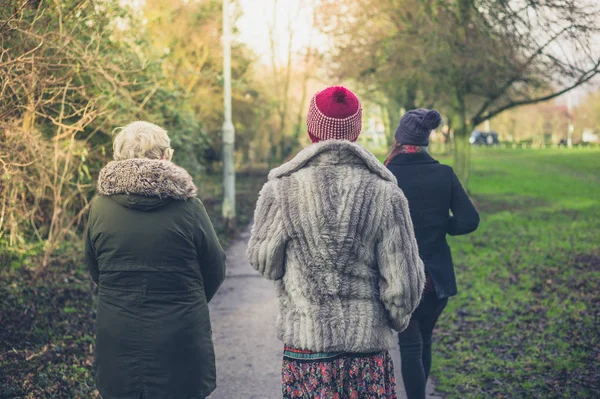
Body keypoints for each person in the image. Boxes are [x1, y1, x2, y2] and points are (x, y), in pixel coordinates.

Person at [247, 86, 425, 399]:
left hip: (307, 344)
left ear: (310, 129)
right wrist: (395, 319)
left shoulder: (282, 189)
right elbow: (405, 280)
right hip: (366, 348)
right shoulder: (385, 193)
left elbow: (264, 260)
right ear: (356, 131)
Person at [85, 121, 226, 399]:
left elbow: (95, 269)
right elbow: (215, 268)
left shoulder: (99, 208)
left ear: (119, 157)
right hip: (180, 337)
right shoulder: (189, 208)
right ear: (165, 157)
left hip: (119, 335)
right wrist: (187, 300)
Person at [384, 109, 480, 399]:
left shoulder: (386, 176)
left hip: (399, 275)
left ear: (398, 139)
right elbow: (468, 221)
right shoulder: (444, 173)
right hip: (436, 278)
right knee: (424, 342)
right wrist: (442, 225)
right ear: (426, 141)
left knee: (410, 346)